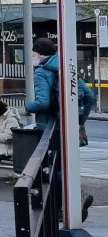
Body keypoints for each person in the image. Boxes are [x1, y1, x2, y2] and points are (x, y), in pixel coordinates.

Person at [24, 37, 95, 220]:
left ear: (39, 53)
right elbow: (89, 96)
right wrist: (79, 121)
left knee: (52, 168)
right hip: (68, 127)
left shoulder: (41, 72)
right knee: (64, 166)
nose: (33, 55)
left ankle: (72, 200)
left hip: (50, 128)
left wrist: (27, 106)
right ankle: (67, 207)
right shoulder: (66, 68)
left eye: (34, 52)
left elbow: (42, 102)